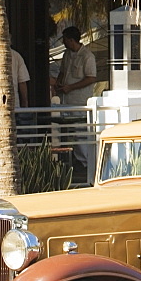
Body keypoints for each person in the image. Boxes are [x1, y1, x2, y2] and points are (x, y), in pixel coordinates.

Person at [51, 26, 97, 173]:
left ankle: (85, 163)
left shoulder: (87, 56)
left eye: (65, 40)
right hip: (66, 100)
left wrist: (71, 87)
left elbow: (91, 78)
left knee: (81, 133)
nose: (63, 43)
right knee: (67, 131)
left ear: (71, 40)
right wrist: (59, 84)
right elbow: (63, 72)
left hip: (80, 101)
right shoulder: (66, 55)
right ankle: (73, 160)